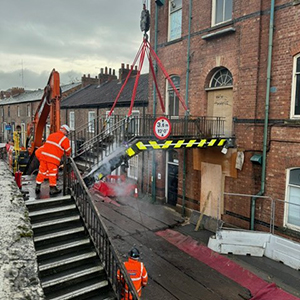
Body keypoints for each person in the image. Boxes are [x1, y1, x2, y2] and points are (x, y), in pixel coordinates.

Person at [35, 124, 71, 195]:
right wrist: (67, 156)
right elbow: (68, 150)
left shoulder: (51, 135)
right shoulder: (64, 139)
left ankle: (38, 186)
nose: (67, 134)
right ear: (65, 131)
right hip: (53, 159)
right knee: (52, 173)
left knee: (41, 171)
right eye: (67, 132)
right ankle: (52, 189)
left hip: (44, 156)